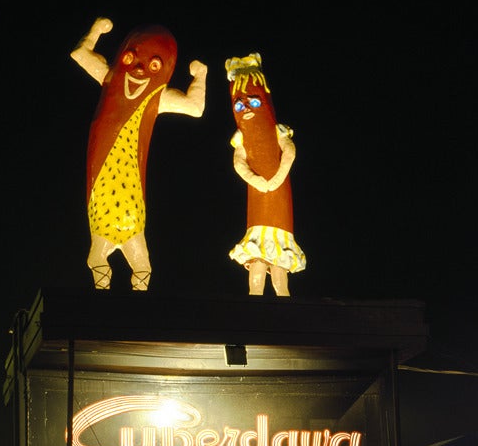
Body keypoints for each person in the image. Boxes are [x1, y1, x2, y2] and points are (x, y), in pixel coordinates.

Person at [71, 18, 207, 290]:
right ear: (123, 55)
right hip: (104, 201)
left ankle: (131, 309)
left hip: (133, 207)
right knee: (118, 260)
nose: (139, 69)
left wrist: (201, 77)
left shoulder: (156, 97)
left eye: (153, 65)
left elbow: (195, 107)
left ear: (164, 69)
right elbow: (80, 54)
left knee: (140, 265)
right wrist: (95, 31)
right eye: (132, 58)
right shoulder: (110, 77)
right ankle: (108, 306)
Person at [226, 53, 306, 296]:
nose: (247, 108)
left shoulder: (277, 130)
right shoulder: (242, 136)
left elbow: (289, 152)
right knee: (257, 268)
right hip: (258, 210)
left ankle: (282, 309)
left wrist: (278, 178)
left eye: (254, 101)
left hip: (280, 210)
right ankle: (255, 306)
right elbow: (238, 162)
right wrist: (256, 180)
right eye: (240, 104)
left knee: (280, 272)